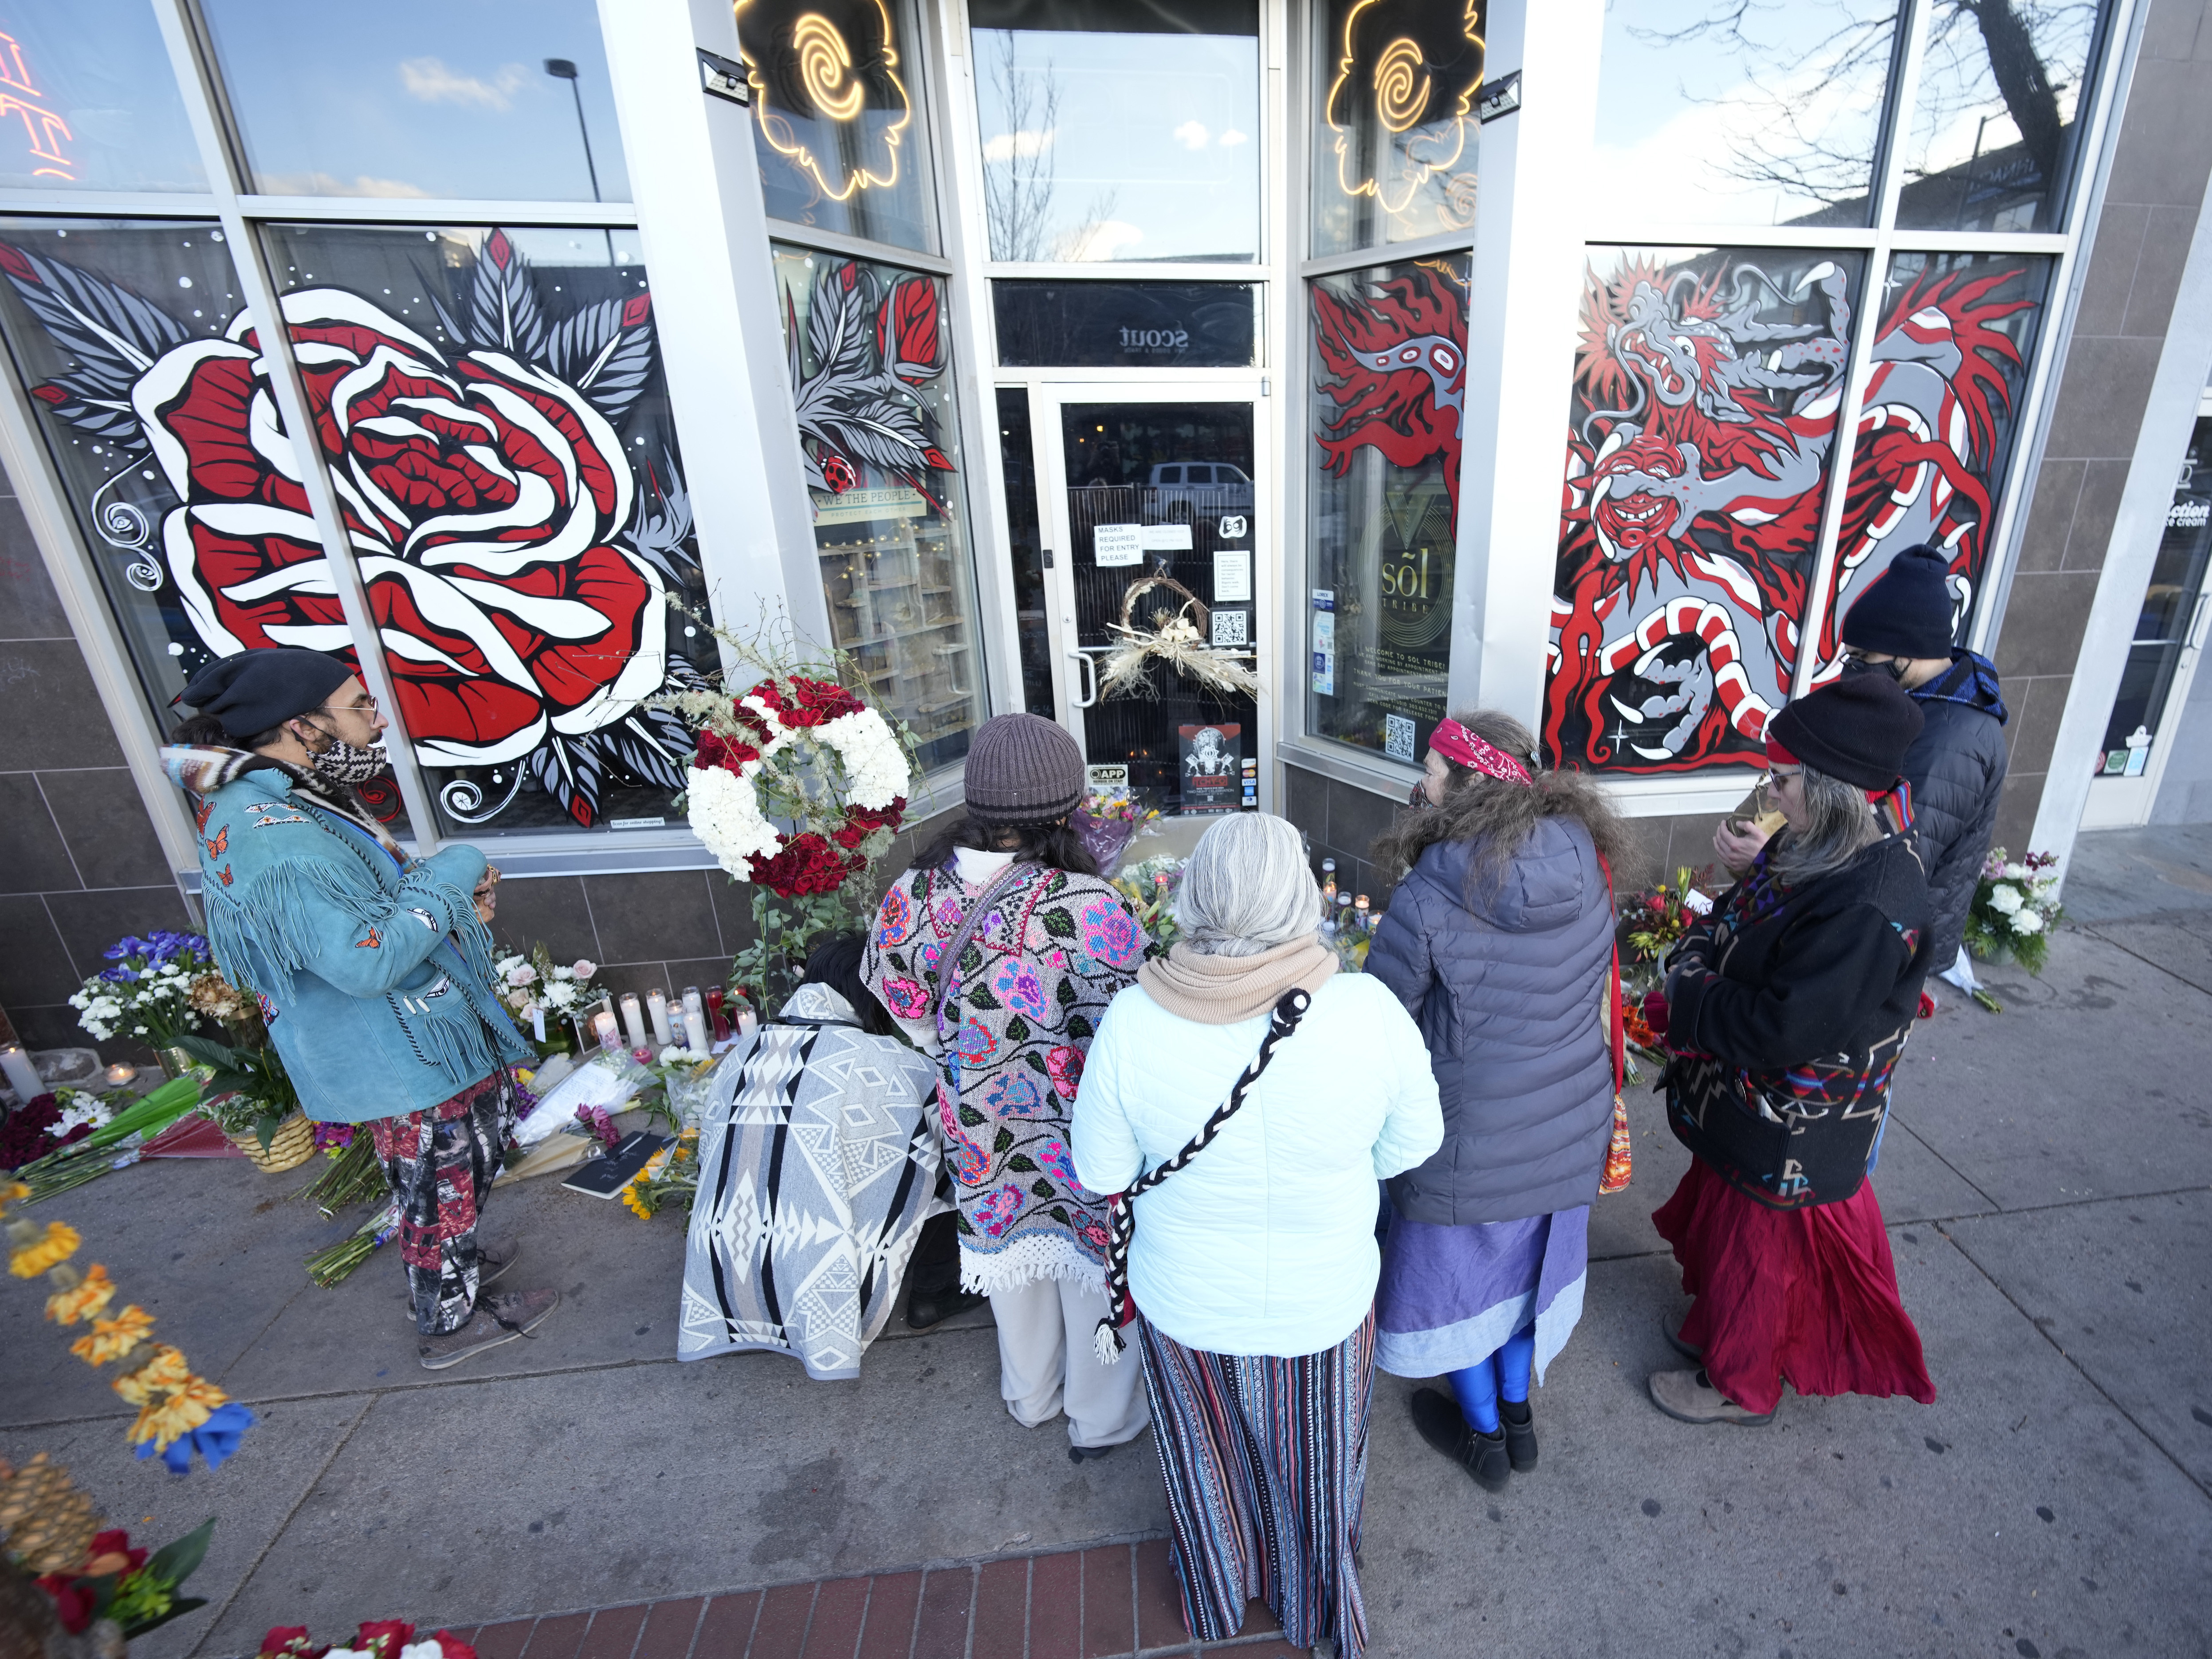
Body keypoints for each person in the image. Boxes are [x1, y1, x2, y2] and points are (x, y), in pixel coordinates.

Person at [1072, 813, 1441, 1659]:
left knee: (1205, 1461)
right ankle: (1316, 1605)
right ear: (1304, 901)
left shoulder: (1133, 1021)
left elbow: (1099, 1173)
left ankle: (1216, 1592)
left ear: (1192, 897)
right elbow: (1410, 1148)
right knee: (1316, 1471)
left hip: (1184, 1304)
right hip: (1324, 1304)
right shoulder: (1367, 1010)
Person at [161, 647, 555, 1370]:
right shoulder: (266, 833)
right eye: (357, 705)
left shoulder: (281, 795)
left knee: (467, 1153)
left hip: (403, 1032)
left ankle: (451, 1256)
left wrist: (450, 909)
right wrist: (453, 872)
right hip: (392, 1043)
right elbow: (364, 959)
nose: (376, 717)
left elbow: (361, 912)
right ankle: (447, 1320)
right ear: (301, 724)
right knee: (438, 1176)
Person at [1650, 674, 1939, 1426]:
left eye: (1782, 779)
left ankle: (1736, 1383)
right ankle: (1716, 1337)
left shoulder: (1871, 903)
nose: (1769, 792)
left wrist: (1686, 993)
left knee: (1758, 1258)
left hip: (1790, 1122)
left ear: (1837, 791)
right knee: (1732, 1234)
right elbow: (1748, 919)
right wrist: (1717, 916)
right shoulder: (1823, 844)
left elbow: (1782, 1028)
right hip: (1753, 1104)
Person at [863, 712, 1153, 1460]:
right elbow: (1132, 1029)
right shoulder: (1090, 908)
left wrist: (964, 1054)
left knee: (1011, 1263)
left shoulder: (913, 895)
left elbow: (903, 1009)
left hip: (979, 1121)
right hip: (1077, 1127)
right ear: (1067, 807)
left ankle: (1030, 1398)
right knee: (1093, 1266)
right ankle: (1103, 1419)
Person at [1364, 711, 1637, 1491]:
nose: (1423, 784)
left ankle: (1483, 1436)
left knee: (1466, 1294)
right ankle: (1516, 1419)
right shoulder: (1584, 856)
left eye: (1435, 773)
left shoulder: (1429, 890)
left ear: (1472, 784)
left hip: (1469, 1141)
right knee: (1525, 1281)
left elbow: (1387, 1020)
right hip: (1567, 1123)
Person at [1717, 543, 2007, 1004]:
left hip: (1881, 944)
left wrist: (1768, 864)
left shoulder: (1952, 741)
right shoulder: (1917, 709)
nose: (1850, 671)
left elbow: (1891, 858)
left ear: (1905, 654)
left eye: (1859, 658)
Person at [680, 932, 941, 1380]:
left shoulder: (742, 1051)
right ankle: (934, 1291)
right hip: (817, 1257)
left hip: (722, 1258)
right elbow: (943, 1134)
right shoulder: (888, 1059)